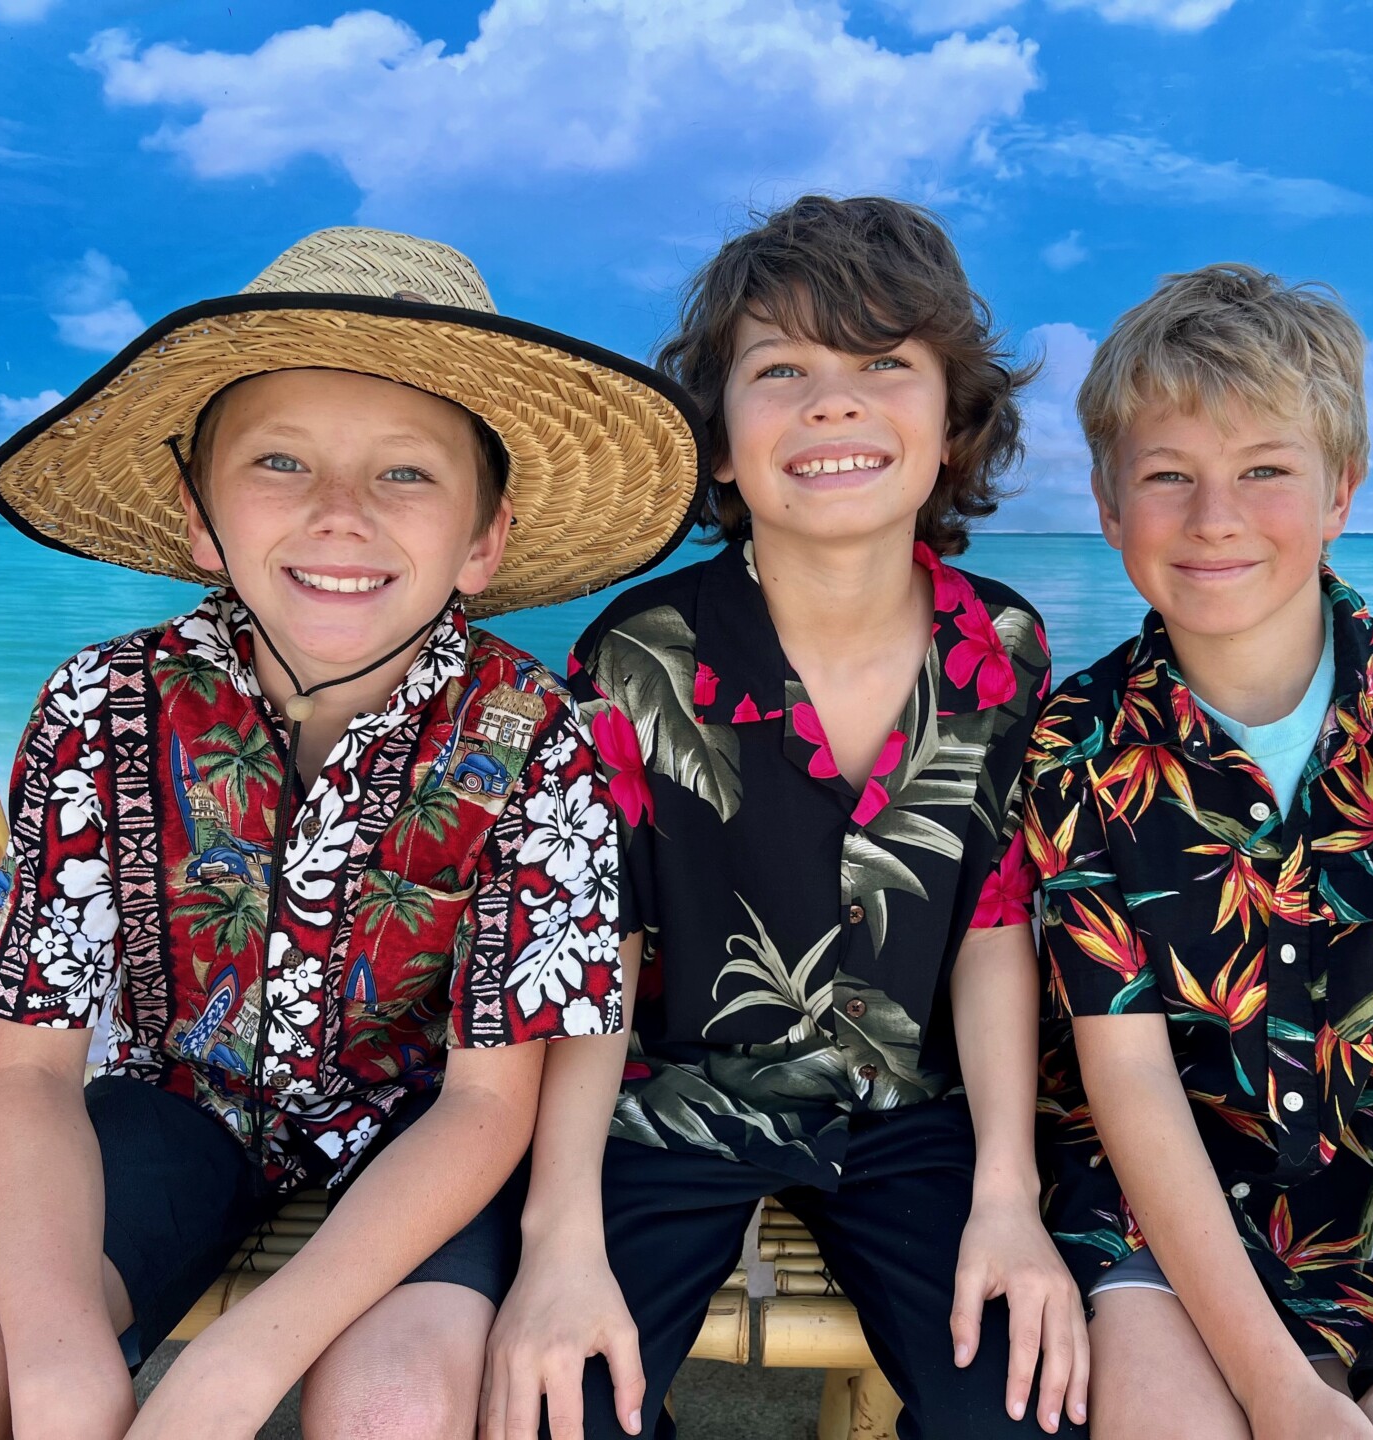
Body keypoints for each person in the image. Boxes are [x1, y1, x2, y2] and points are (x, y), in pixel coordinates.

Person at [0, 227, 705, 1440]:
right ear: (200, 516)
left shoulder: (539, 735)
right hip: (178, 1102)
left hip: (427, 1131)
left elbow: (483, 1102)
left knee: (394, 1408)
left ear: (483, 538)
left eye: (406, 473)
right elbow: (27, 1069)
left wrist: (236, 1366)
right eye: (281, 461)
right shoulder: (99, 704)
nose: (340, 515)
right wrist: (57, 1352)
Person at [480, 194, 1087, 1440]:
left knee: (1027, 1405)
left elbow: (991, 926)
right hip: (672, 1103)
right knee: (551, 1409)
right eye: (780, 371)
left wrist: (1009, 1197)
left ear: (953, 424)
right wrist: (559, 1236)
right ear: (718, 443)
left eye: (884, 364)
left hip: (920, 1117)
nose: (832, 405)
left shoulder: (1003, 648)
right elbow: (600, 953)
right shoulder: (638, 656)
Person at [1027, 263, 1373, 1440]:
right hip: (1147, 1194)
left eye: (1264, 470)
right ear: (1108, 505)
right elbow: (1128, 1077)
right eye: (1168, 475)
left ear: (1340, 490)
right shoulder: (1071, 745)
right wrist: (1279, 1391)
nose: (1215, 516)